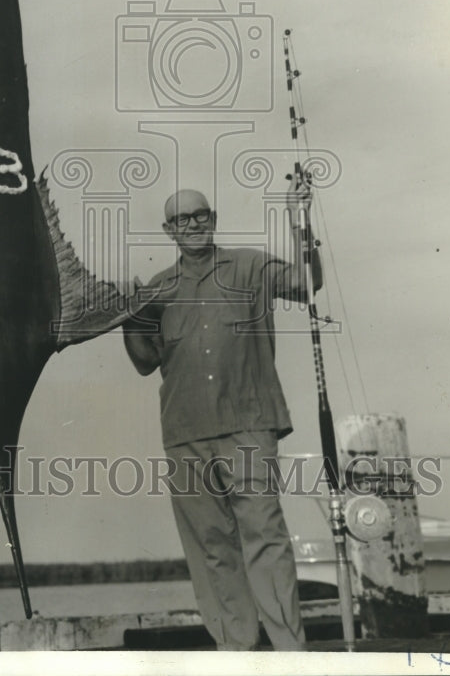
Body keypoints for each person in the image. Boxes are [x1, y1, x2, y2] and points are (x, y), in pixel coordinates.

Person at [123, 179, 322, 651]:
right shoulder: (158, 289)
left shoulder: (252, 265)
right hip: (185, 433)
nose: (192, 224)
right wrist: (130, 317)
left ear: (213, 220)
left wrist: (300, 218)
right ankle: (238, 650)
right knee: (212, 546)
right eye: (181, 219)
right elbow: (144, 361)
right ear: (168, 230)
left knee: (265, 536)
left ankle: (291, 652)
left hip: (249, 425)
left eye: (200, 215)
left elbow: (308, 283)